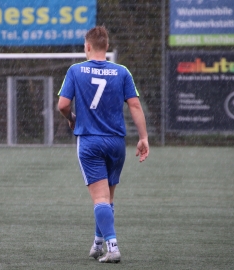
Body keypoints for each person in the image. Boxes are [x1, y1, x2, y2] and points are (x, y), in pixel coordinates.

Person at [58, 26, 149, 263]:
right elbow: (135, 106)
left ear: (87, 47)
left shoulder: (75, 71)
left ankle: (113, 247)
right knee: (107, 198)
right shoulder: (121, 72)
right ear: (106, 47)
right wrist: (143, 137)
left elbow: (62, 105)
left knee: (100, 199)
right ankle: (98, 243)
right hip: (116, 143)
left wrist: (71, 119)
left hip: (90, 142)